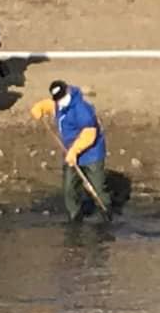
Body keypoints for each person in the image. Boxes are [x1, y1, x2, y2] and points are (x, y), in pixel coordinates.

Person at [33, 80, 111, 222]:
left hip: (91, 154)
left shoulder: (82, 110)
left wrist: (74, 151)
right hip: (71, 154)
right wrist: (40, 107)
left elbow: (89, 135)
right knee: (69, 187)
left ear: (68, 91)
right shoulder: (60, 104)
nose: (60, 102)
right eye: (58, 99)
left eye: (62, 97)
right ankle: (75, 215)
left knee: (97, 188)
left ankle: (104, 215)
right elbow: (51, 106)